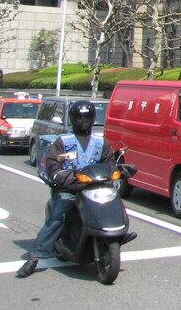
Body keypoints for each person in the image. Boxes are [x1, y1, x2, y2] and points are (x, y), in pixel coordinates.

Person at [17, 100, 132, 278]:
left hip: (95, 188)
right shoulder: (62, 142)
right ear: (73, 119)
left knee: (115, 204)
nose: (83, 122)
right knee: (57, 217)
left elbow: (110, 163)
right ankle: (35, 257)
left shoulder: (100, 142)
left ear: (93, 120)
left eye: (86, 118)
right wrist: (67, 177)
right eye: (79, 118)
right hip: (70, 189)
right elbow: (53, 165)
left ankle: (117, 235)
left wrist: (119, 171)